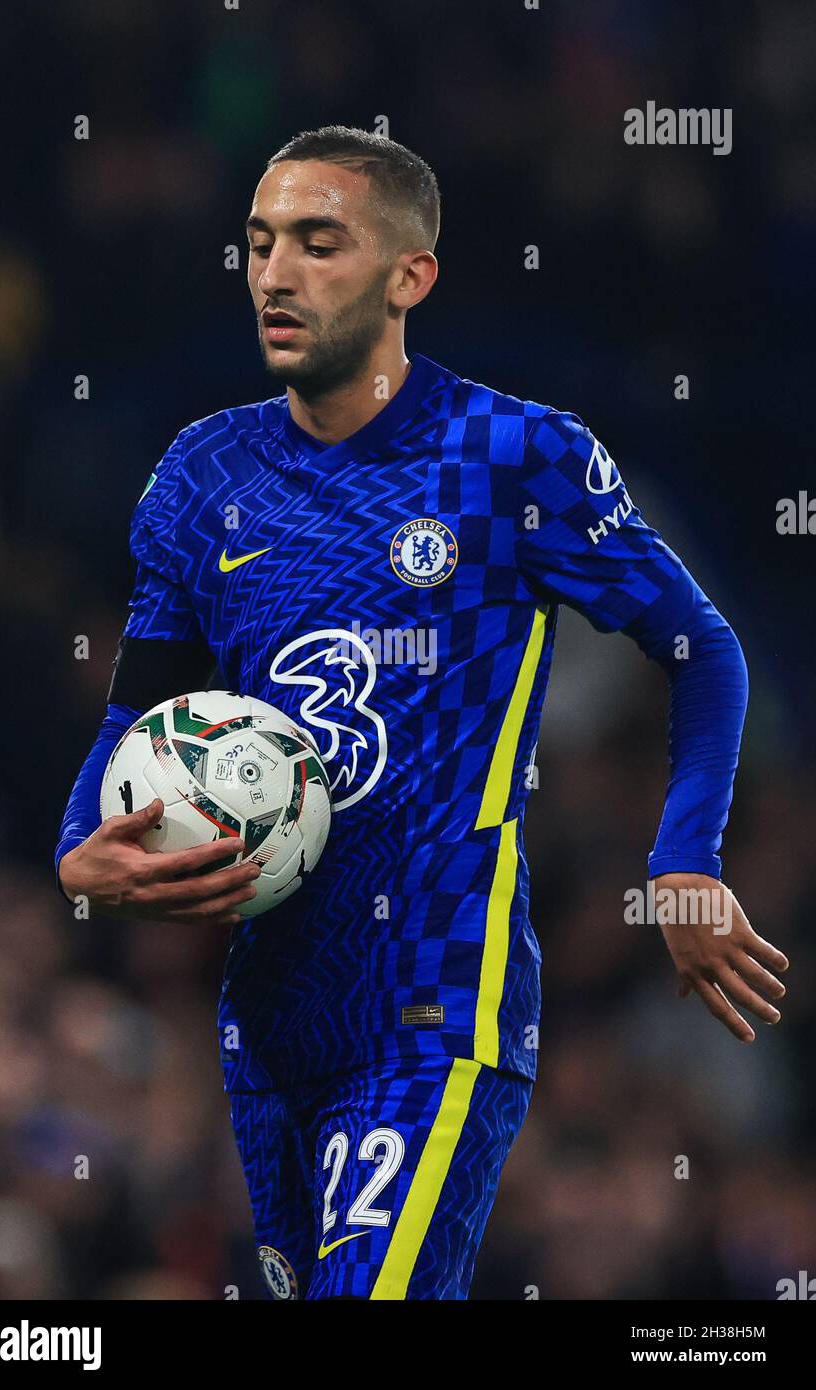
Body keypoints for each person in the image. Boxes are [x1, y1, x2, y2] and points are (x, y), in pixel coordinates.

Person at [56, 126, 788, 1301]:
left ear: (410, 276)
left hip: (439, 995)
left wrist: (685, 855)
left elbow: (702, 645)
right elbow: (134, 714)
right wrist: (77, 858)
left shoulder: (514, 456)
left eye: (317, 242)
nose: (275, 274)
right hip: (267, 1017)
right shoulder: (200, 476)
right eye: (256, 245)